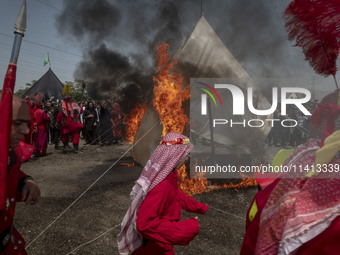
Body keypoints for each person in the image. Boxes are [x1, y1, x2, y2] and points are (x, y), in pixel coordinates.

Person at [117, 132, 209, 255]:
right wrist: (188, 227)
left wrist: (200, 207)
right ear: (175, 156)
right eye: (185, 155)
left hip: (157, 242)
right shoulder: (163, 185)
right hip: (156, 246)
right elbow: (145, 224)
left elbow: (176, 195)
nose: (186, 159)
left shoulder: (166, 176)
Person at [0, 92, 41, 254]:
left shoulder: (12, 153)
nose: (25, 130)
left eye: (26, 123)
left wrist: (26, 181)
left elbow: (13, 173)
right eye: (17, 123)